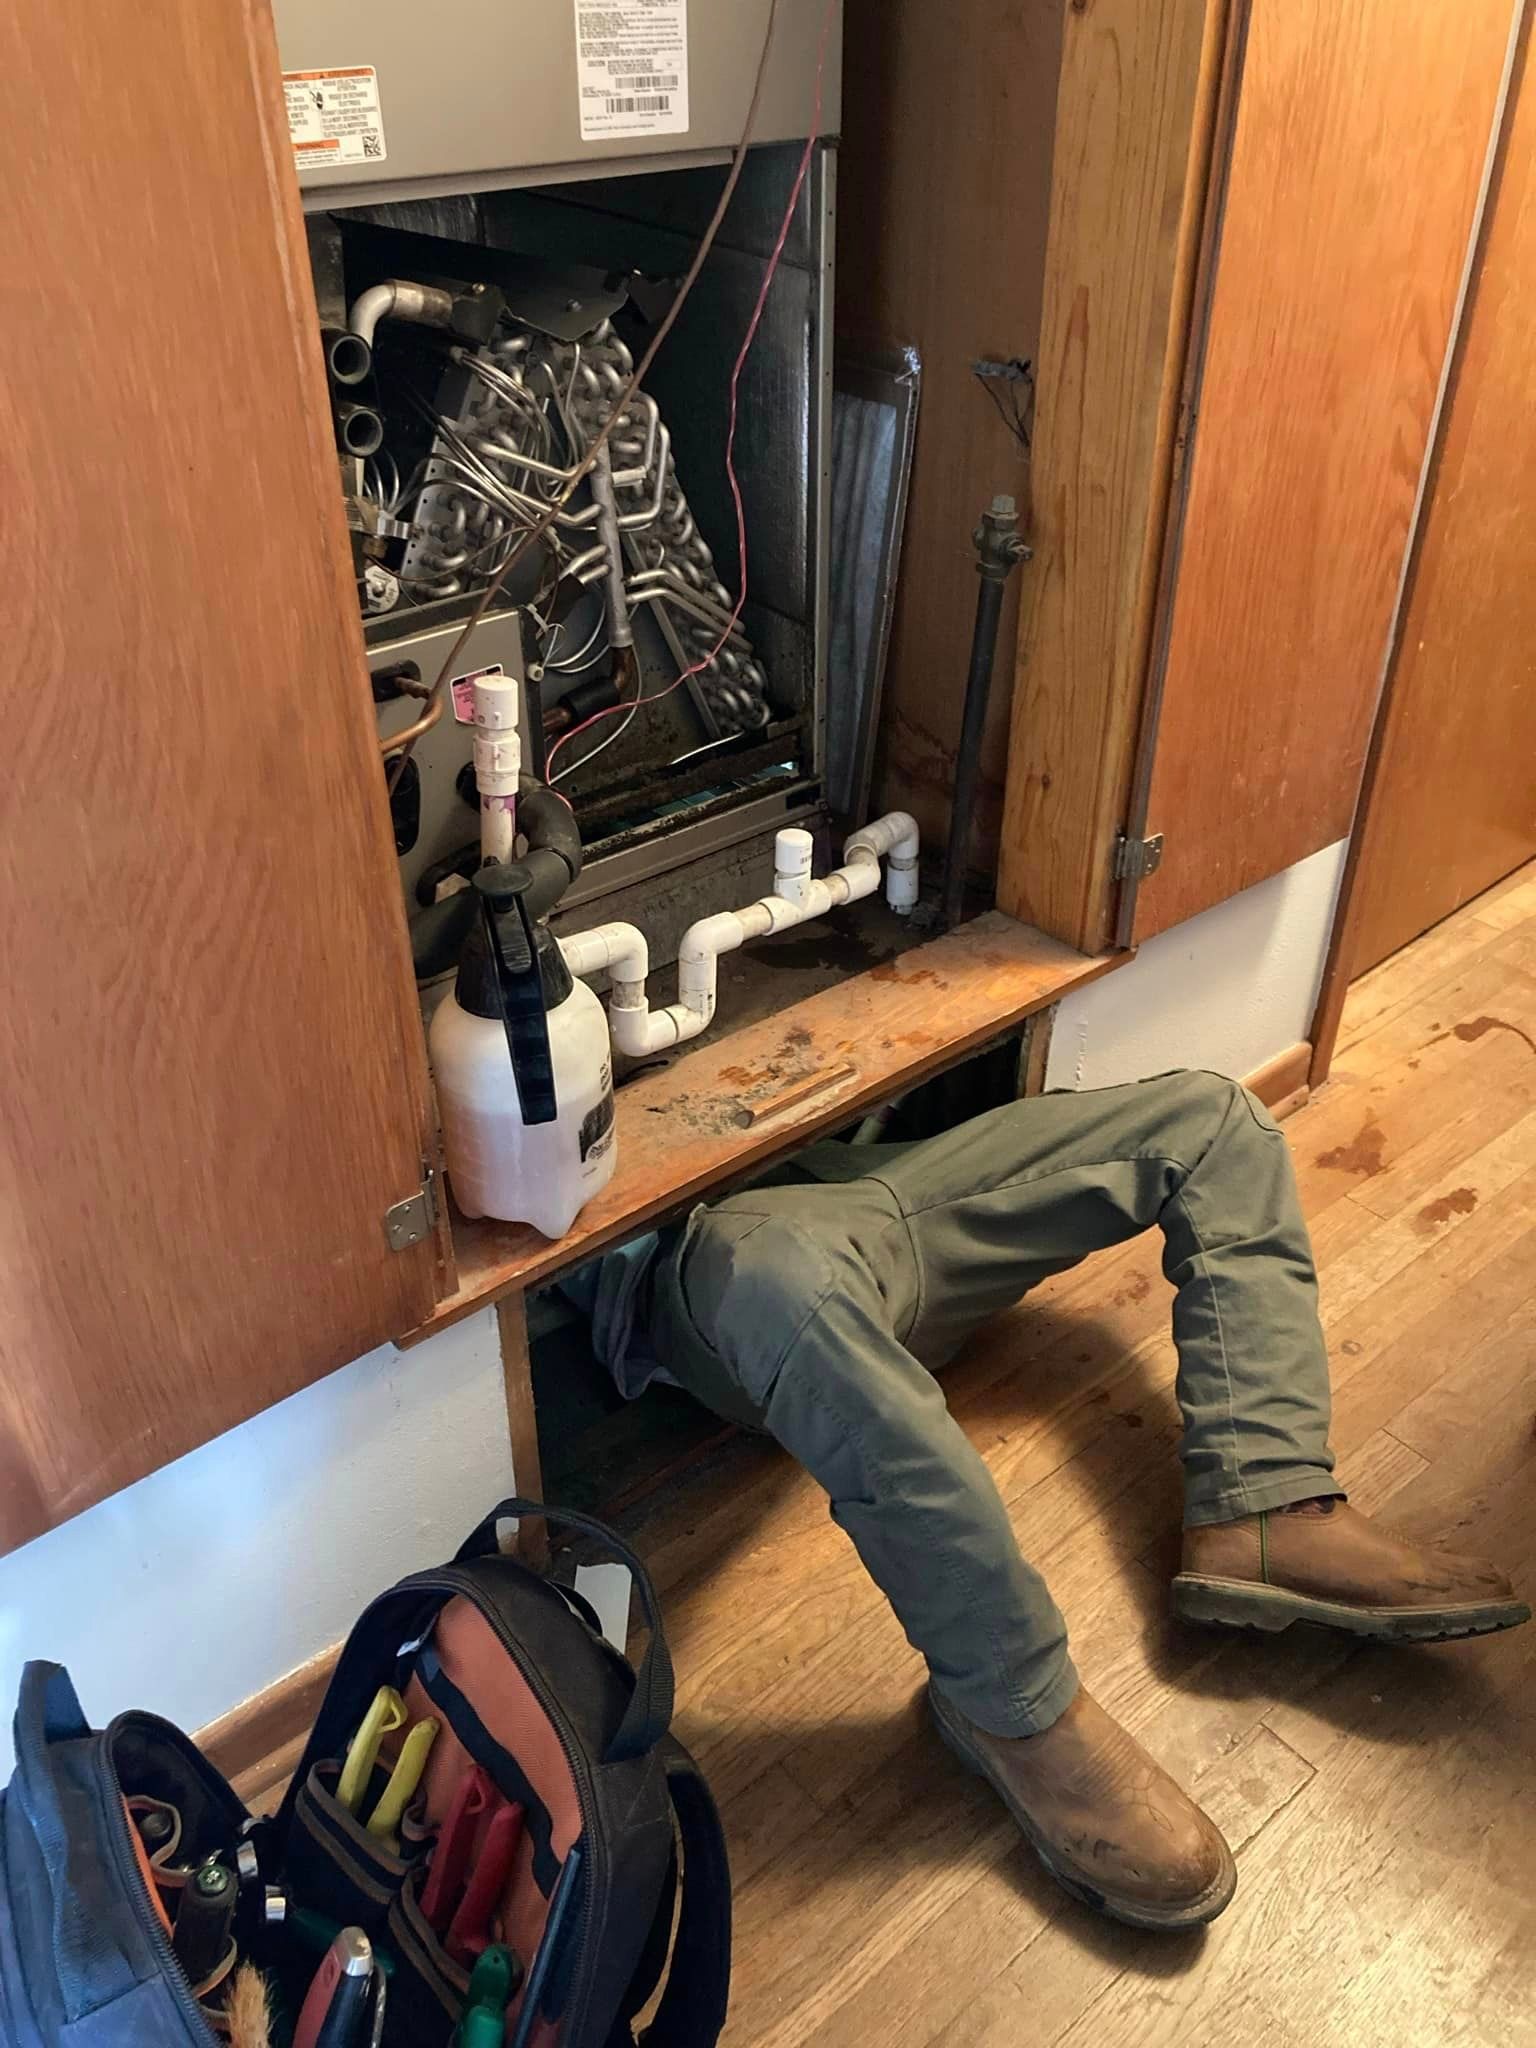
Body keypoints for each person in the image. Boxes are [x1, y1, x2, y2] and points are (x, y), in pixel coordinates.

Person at [563, 1070, 1529, 1931]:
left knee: (1211, 1120)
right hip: (700, 1251)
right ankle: (1011, 1700)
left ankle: (1266, 1503)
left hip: (850, 1165)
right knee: (776, 1267)